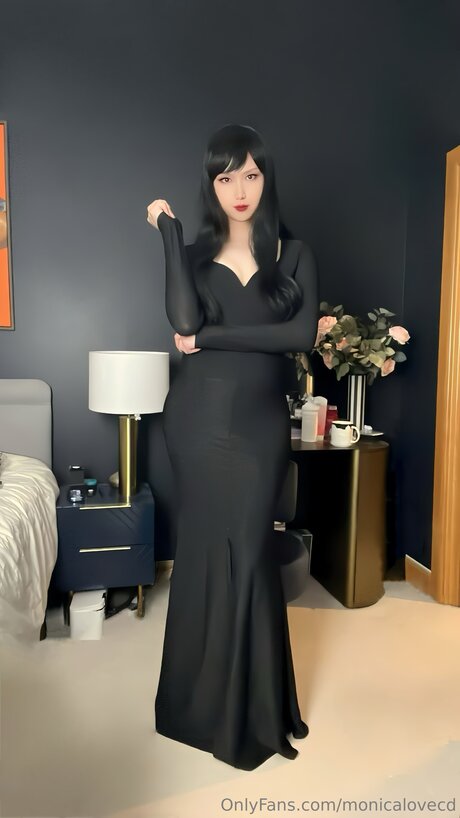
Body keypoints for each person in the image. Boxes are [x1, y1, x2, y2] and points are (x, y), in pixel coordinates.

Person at [146, 123, 318, 770]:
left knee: (248, 554)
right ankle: (191, 710)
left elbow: (298, 336)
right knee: (199, 555)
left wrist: (212, 341)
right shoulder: (192, 255)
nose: (239, 190)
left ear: (266, 178)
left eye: (250, 174)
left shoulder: (294, 254)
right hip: (194, 423)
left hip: (258, 430)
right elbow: (183, 321)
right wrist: (169, 234)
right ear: (211, 185)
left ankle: (252, 713)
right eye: (225, 177)